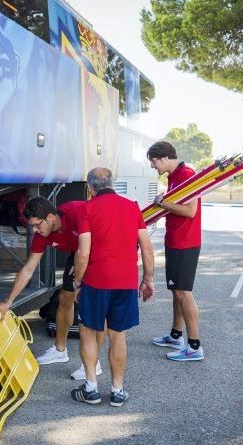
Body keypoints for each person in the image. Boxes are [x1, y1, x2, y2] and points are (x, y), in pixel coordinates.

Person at [0, 196, 103, 379]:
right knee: (65, 298)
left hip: (100, 247)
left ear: (50, 218)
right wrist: (8, 302)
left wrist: (86, 261)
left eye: (37, 225)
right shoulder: (42, 235)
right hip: (79, 252)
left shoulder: (77, 212)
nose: (35, 230)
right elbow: (28, 269)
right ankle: (60, 351)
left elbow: (103, 234)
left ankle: (94, 363)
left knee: (92, 305)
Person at [71, 167, 155, 406]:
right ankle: (117, 391)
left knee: (87, 330)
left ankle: (91, 388)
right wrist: (148, 280)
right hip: (126, 282)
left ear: (90, 188)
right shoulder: (132, 207)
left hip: (97, 281)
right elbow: (146, 247)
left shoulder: (87, 208)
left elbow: (83, 251)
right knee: (118, 336)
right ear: (112, 183)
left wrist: (78, 282)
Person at [146, 141, 204, 362]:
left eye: (153, 162)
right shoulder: (175, 176)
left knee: (183, 292)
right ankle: (176, 335)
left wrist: (163, 204)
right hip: (175, 240)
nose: (153, 167)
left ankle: (194, 346)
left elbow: (190, 211)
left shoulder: (187, 174)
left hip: (185, 242)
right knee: (176, 290)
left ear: (163, 158)